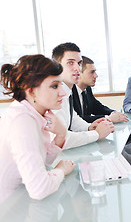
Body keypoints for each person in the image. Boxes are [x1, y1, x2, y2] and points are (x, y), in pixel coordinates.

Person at [0, 54, 76, 203]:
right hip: (8, 207)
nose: (63, 93)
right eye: (54, 86)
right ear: (31, 91)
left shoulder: (33, 112)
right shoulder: (22, 121)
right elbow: (39, 189)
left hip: (20, 198)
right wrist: (61, 170)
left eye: (61, 85)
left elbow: (42, 163)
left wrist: (61, 134)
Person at [52, 42, 114, 149]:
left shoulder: (67, 91)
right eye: (70, 63)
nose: (77, 68)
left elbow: (73, 119)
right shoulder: (53, 95)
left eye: (79, 63)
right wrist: (97, 134)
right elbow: (61, 139)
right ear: (57, 66)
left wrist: (89, 127)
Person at [72, 55, 129, 123]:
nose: (96, 75)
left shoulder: (87, 89)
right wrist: (108, 118)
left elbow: (96, 107)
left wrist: (114, 113)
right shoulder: (69, 92)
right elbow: (77, 120)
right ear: (79, 73)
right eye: (92, 72)